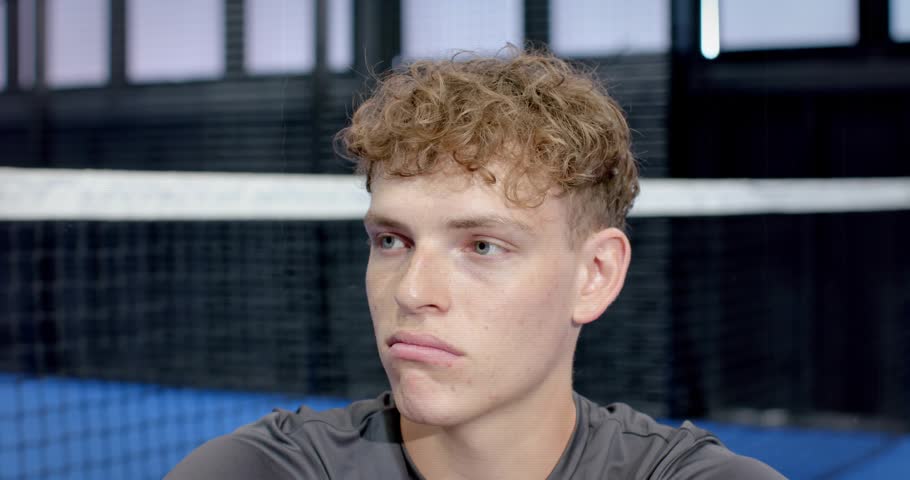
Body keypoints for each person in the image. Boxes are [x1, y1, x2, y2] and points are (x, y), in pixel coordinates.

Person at [166, 48, 784, 479]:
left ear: (595, 276)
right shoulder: (258, 472)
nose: (413, 291)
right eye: (392, 241)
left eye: (482, 246)